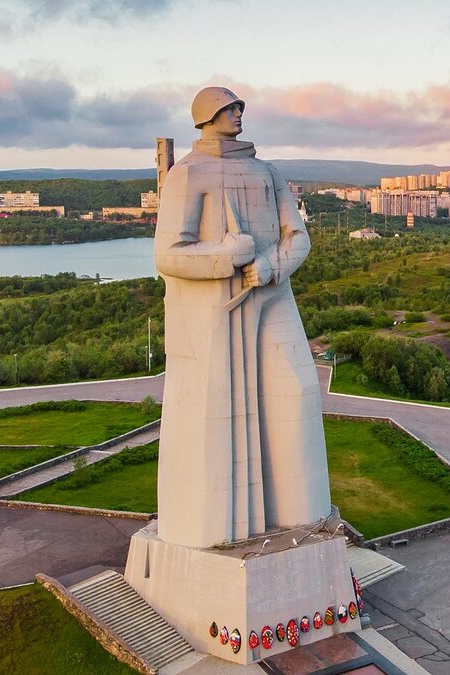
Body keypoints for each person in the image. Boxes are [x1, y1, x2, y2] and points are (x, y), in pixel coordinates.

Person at [152, 86, 331, 548]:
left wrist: (271, 266)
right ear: (207, 117)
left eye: (238, 108)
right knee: (215, 417)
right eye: (229, 109)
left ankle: (304, 521)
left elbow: (300, 237)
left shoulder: (268, 172)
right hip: (216, 311)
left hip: (272, 295)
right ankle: (214, 532)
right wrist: (225, 255)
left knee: (297, 392)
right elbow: (168, 255)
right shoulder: (187, 175)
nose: (237, 116)